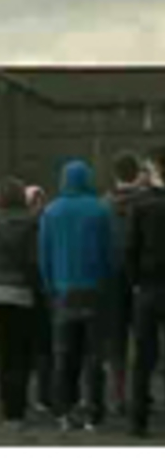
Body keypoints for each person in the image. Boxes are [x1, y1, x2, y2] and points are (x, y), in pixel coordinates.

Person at [39, 160, 114, 432]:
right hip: (94, 289)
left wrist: (50, 286)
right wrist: (106, 280)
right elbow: (109, 252)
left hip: (62, 291)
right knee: (94, 355)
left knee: (64, 355)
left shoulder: (51, 211)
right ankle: (93, 412)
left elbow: (44, 255)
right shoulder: (100, 210)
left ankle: (64, 411)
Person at [0, 177, 40, 429]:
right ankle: (19, 408)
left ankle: (8, 410)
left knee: (4, 352)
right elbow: (33, 260)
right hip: (22, 291)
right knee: (22, 354)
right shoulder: (31, 223)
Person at [104, 151, 150, 417]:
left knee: (116, 342)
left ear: (115, 175)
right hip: (142, 279)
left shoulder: (104, 205)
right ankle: (142, 395)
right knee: (145, 340)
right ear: (137, 173)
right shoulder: (148, 202)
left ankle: (117, 396)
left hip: (111, 280)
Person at [127, 146, 165, 438]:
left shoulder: (141, 204)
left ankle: (138, 420)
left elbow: (131, 249)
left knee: (143, 357)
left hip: (149, 286)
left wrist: (135, 281)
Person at [25, 185, 54, 414]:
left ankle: (41, 394)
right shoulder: (46, 223)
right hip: (41, 289)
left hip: (34, 288)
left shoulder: (25, 225)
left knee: (40, 347)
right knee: (44, 347)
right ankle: (44, 394)